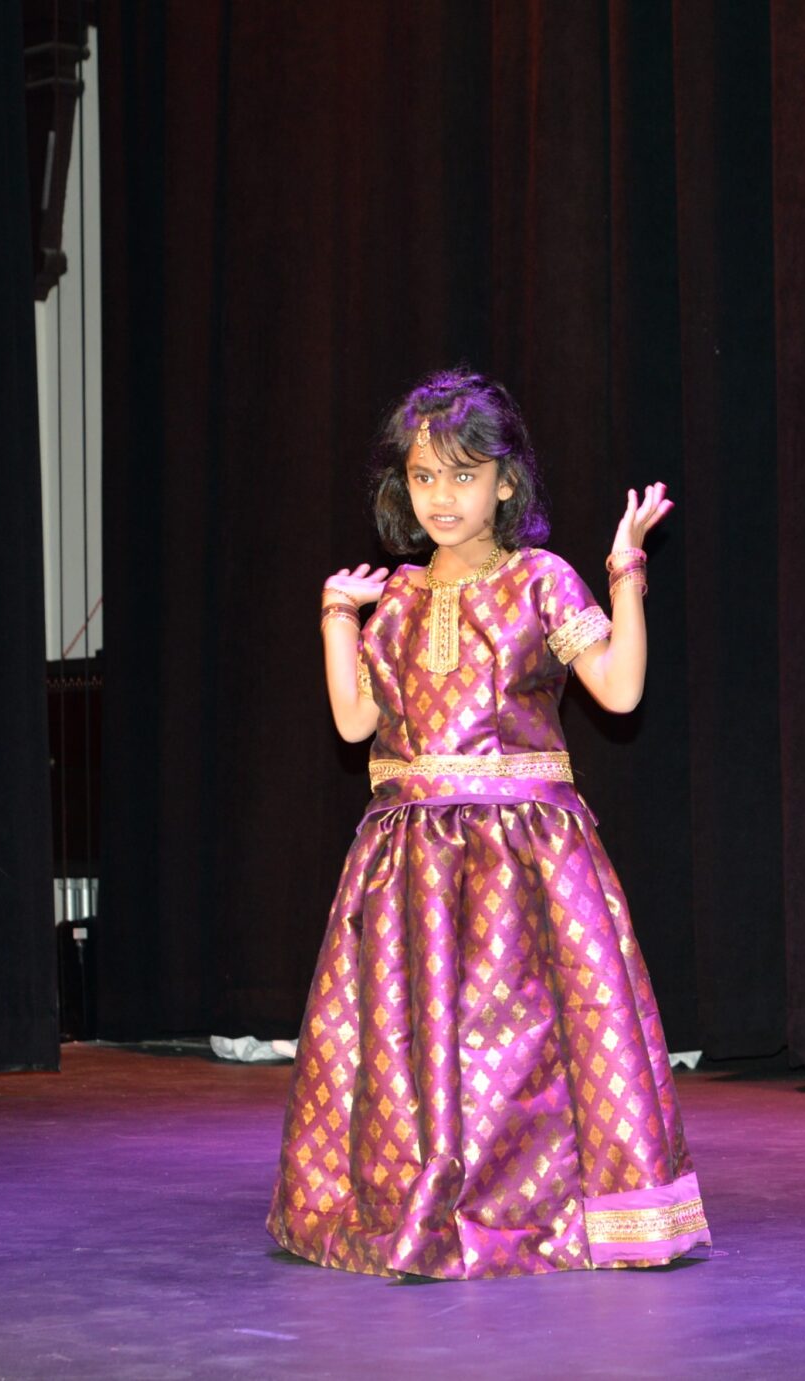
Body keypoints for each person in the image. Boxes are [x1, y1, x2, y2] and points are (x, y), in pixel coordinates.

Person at [268, 368, 707, 1278]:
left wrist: (626, 570)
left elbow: (620, 690)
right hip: (407, 861)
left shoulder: (541, 580)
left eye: (463, 476)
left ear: (506, 481)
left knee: (530, 1040)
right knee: (409, 1036)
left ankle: (537, 1214)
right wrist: (334, 619)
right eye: (424, 477)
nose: (441, 496)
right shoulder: (391, 600)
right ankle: (417, 1198)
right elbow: (356, 725)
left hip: (523, 855)